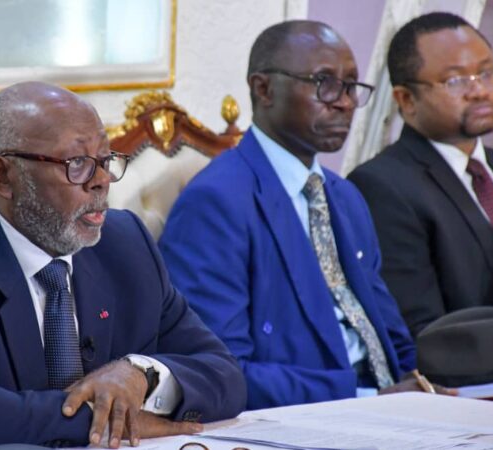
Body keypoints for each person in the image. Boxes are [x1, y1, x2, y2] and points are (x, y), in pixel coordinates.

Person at [0, 82, 246, 450]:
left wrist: (140, 374)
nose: (102, 180)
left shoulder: (126, 244)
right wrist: (111, 414)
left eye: (105, 160)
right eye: (77, 163)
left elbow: (224, 376)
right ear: (3, 176)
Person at [158, 20, 436, 411]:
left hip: (393, 408)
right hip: (312, 415)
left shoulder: (345, 196)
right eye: (324, 82)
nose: (343, 101)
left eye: (352, 85)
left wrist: (430, 390)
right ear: (264, 88)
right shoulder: (216, 203)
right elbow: (217, 370)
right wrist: (365, 399)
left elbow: (389, 331)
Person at [347, 12, 493, 377]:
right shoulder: (383, 186)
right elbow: (430, 337)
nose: (479, 89)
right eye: (455, 79)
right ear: (406, 99)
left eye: (486, 72)